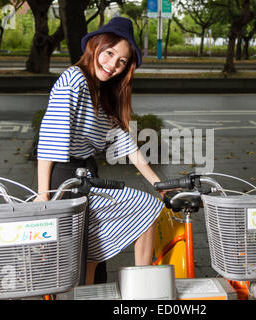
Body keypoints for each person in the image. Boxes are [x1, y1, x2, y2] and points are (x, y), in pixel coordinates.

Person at [36, 17, 165, 285]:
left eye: (122, 61)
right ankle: (144, 287)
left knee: (93, 247)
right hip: (65, 176)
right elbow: (50, 139)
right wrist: (43, 194)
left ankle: (117, 288)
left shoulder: (102, 91)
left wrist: (159, 183)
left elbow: (126, 143)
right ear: (95, 46)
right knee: (145, 208)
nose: (113, 65)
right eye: (109, 53)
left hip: (85, 174)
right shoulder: (74, 81)